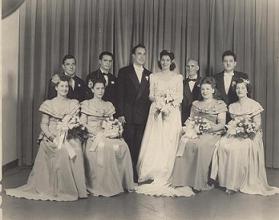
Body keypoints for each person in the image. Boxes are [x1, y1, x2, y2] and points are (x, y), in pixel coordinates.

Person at [6, 74, 87, 201]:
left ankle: (78, 189)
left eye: (66, 86)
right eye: (62, 86)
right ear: (56, 88)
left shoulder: (73, 103)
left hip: (68, 134)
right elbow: (44, 124)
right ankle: (62, 188)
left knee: (76, 147)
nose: (64, 89)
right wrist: (52, 136)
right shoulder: (49, 104)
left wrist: (71, 128)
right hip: (52, 134)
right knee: (63, 150)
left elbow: (76, 121)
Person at [135, 50, 194, 197]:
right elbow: (150, 95)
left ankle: (169, 171)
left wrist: (170, 102)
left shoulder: (178, 77)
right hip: (156, 110)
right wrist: (160, 102)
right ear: (160, 61)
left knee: (170, 140)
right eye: (163, 60)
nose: (165, 62)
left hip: (172, 112)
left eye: (167, 60)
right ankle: (153, 171)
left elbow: (180, 96)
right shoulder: (154, 76)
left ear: (171, 61)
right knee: (156, 140)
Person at [210, 78, 279, 195]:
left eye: (243, 88)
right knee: (222, 144)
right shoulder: (232, 106)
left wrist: (247, 130)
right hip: (235, 132)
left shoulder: (254, 104)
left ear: (247, 90)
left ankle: (237, 183)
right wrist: (236, 129)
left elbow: (257, 124)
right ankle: (227, 181)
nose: (240, 90)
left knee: (240, 147)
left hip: (251, 134)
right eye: (237, 88)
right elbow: (232, 123)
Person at [80, 78, 134, 197]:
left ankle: (122, 182)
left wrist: (114, 129)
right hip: (92, 136)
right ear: (92, 89)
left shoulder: (108, 105)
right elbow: (82, 123)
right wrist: (93, 132)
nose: (100, 91)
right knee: (105, 148)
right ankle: (103, 185)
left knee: (122, 146)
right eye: (97, 88)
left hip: (106, 134)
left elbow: (112, 121)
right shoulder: (86, 104)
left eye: (102, 88)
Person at [172, 77, 227, 192]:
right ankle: (183, 179)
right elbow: (191, 119)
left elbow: (222, 124)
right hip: (196, 132)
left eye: (207, 89)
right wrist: (188, 130)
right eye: (203, 89)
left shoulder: (219, 104)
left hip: (213, 133)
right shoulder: (196, 104)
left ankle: (199, 182)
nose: (205, 92)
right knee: (185, 143)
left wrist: (210, 128)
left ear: (213, 90)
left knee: (201, 146)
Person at [117, 44, 152, 182]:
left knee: (140, 145)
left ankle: (137, 174)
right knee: (129, 144)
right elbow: (120, 95)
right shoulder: (124, 72)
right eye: (139, 53)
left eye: (144, 54)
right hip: (128, 115)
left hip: (143, 116)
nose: (142, 56)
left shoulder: (149, 74)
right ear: (133, 56)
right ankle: (127, 175)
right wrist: (120, 114)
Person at [181, 59, 201, 124]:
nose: (190, 68)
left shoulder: (204, 81)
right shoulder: (181, 83)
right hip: (184, 118)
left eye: (192, 66)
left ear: (197, 68)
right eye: (188, 66)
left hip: (200, 117)